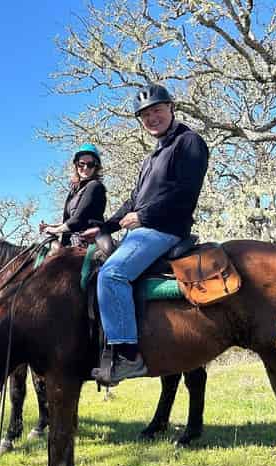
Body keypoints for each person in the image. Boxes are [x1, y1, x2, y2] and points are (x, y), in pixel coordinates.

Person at [82, 83, 209, 383]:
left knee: (112, 274)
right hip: (145, 228)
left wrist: (143, 216)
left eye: (157, 111)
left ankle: (128, 356)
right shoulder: (152, 157)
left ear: (171, 108)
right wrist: (105, 227)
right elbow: (133, 201)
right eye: (145, 115)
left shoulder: (189, 142)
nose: (152, 118)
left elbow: (185, 192)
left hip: (165, 229)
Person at [40, 143, 107, 247]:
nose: (85, 168)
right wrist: (51, 227)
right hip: (73, 241)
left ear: (96, 166)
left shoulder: (95, 186)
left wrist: (54, 230)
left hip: (91, 241)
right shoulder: (73, 192)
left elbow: (78, 220)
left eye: (90, 164)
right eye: (81, 164)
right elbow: (69, 220)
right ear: (76, 165)